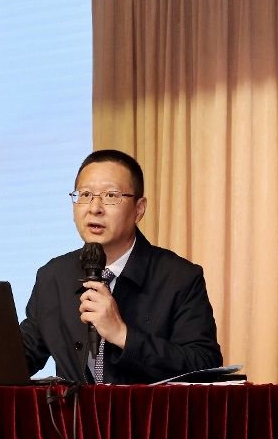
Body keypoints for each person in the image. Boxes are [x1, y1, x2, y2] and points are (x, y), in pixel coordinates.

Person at [19, 149, 223, 384]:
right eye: (85, 194)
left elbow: (205, 364)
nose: (94, 208)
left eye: (110, 195)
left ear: (139, 209)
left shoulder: (179, 277)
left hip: (145, 409)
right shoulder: (53, 276)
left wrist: (122, 335)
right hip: (74, 410)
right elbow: (23, 354)